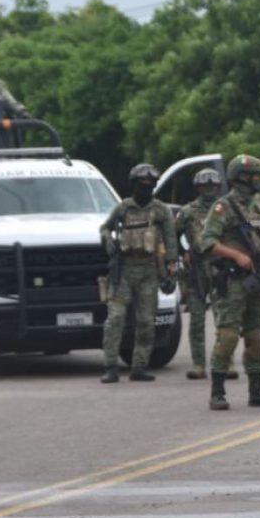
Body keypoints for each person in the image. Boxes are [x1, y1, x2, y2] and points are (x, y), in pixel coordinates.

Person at [200, 154, 260, 410]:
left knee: (256, 335)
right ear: (242, 178)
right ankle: (217, 391)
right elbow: (207, 242)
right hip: (233, 280)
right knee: (227, 336)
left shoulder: (259, 207)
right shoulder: (223, 207)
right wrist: (236, 255)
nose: (259, 181)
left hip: (258, 280)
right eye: (255, 176)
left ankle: (256, 391)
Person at [98, 163, 177, 384]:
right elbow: (105, 228)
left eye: (150, 184)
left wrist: (172, 266)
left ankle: (139, 366)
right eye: (142, 184)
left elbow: (171, 239)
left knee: (146, 321)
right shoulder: (123, 208)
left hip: (149, 272)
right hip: (124, 271)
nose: (146, 188)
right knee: (115, 319)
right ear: (134, 185)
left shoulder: (161, 210)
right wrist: (108, 241)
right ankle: (110, 366)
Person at [174, 168, 239, 381]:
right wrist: (183, 253)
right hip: (196, 270)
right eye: (205, 186)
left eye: (213, 186)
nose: (209, 190)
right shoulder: (188, 211)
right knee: (197, 320)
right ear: (198, 187)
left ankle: (226, 363)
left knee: (224, 318)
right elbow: (171, 234)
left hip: (220, 268)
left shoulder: (226, 209)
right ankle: (199, 364)